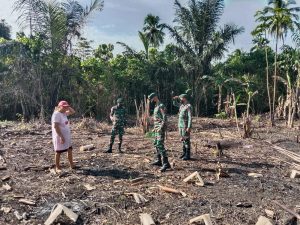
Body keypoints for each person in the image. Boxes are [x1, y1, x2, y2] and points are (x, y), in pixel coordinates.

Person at [148, 93, 171, 172]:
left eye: (152, 99)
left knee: (160, 144)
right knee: (155, 143)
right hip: (156, 128)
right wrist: (154, 128)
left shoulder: (161, 105)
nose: (152, 100)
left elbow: (164, 117)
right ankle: (159, 161)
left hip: (160, 128)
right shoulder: (156, 106)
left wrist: (161, 127)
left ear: (155, 97)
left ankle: (166, 163)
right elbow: (157, 118)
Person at [51, 100, 76, 172]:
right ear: (60, 107)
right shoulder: (56, 114)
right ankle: (57, 167)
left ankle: (72, 164)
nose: (66, 108)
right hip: (59, 136)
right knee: (58, 152)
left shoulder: (64, 113)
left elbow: (73, 112)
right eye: (64, 107)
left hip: (67, 136)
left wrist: (68, 107)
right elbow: (55, 126)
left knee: (69, 149)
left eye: (66, 107)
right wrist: (61, 136)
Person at [173, 94, 192, 160]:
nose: (180, 99)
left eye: (181, 98)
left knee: (186, 139)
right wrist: (174, 99)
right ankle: (184, 153)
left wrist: (189, 127)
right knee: (182, 139)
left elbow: (190, 117)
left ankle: (187, 155)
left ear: (184, 98)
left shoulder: (188, 106)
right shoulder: (182, 106)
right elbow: (175, 104)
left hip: (185, 125)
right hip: (180, 125)